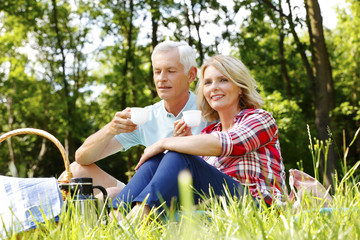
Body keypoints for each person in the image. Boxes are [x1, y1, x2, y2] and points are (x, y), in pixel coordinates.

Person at [111, 55, 287, 220]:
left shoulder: (260, 118)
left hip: (259, 207)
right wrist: (183, 143)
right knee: (155, 162)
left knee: (176, 152)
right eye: (208, 83)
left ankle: (139, 218)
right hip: (217, 204)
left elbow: (230, 143)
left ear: (240, 87)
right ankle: (116, 218)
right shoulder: (208, 133)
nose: (214, 87)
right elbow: (197, 178)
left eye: (223, 80)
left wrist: (164, 143)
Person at [58, 41, 210, 198]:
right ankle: (53, 220)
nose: (162, 79)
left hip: (194, 192)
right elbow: (82, 157)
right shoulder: (146, 117)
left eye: (170, 71)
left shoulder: (210, 109)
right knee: (77, 169)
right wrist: (110, 129)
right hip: (147, 192)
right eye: (157, 72)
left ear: (191, 75)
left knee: (110, 194)